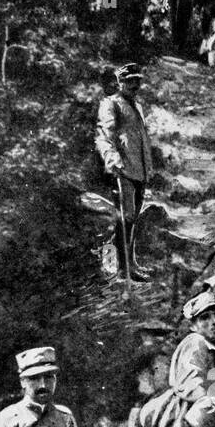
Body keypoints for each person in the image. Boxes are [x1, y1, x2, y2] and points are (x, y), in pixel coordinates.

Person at [95, 63, 154, 279]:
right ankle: (123, 268)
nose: (134, 85)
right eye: (130, 81)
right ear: (120, 83)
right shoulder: (111, 104)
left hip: (139, 170)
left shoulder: (136, 106)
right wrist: (113, 161)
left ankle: (124, 263)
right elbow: (104, 137)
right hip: (123, 170)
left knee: (131, 219)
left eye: (137, 81)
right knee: (125, 218)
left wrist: (148, 167)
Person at [138, 292, 215, 427]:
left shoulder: (209, 347)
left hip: (203, 419)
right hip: (188, 424)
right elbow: (194, 387)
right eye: (205, 318)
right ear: (193, 326)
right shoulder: (196, 342)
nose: (214, 321)